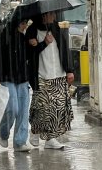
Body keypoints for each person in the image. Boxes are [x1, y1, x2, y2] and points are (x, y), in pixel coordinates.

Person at [25, 11, 74, 150]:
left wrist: (69, 70)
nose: (53, 17)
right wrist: (43, 43)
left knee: (57, 108)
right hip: (41, 74)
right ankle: (34, 132)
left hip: (58, 73)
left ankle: (51, 139)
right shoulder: (32, 30)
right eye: (50, 14)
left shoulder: (56, 29)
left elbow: (65, 50)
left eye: (54, 14)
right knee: (41, 107)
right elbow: (29, 54)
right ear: (43, 15)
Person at [0, 18, 33, 153]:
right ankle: (3, 131)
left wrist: (34, 45)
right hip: (7, 78)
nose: (25, 25)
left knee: (23, 111)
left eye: (25, 23)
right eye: (22, 23)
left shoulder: (23, 38)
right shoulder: (3, 38)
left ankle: (20, 141)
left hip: (22, 78)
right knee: (12, 109)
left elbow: (29, 57)